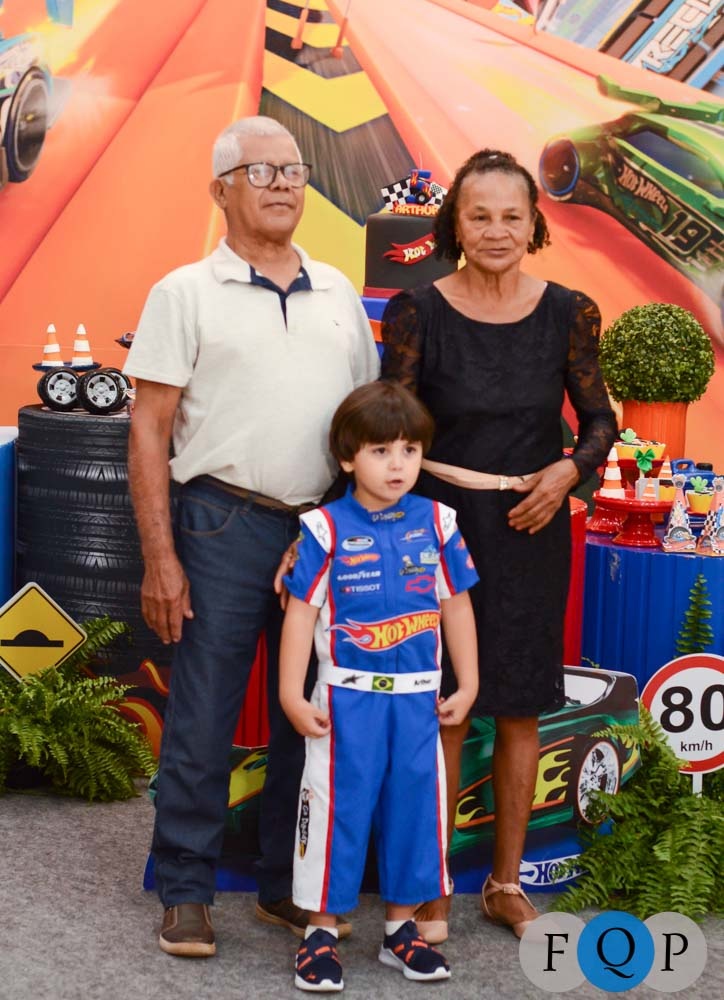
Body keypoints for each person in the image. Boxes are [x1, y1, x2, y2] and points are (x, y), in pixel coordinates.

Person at [124, 116, 379, 957]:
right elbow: (149, 429)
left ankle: (287, 887)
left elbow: (365, 421)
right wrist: (160, 558)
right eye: (260, 171)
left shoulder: (339, 292)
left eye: (293, 170)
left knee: (308, 714)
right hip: (219, 523)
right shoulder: (184, 292)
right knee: (203, 711)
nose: (282, 185)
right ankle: (186, 890)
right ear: (220, 190)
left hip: (321, 528)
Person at [380, 149, 617, 940]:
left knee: (519, 707)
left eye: (512, 216)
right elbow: (391, 426)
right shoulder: (417, 311)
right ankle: (432, 883)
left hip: (531, 529)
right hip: (436, 531)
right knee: (445, 707)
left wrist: (569, 474)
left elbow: (600, 420)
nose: (495, 230)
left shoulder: (570, 311)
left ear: (534, 224)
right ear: (455, 222)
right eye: (479, 215)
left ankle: (506, 884)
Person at [279, 381, 479, 991]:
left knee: (415, 811)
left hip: (418, 701)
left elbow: (457, 605)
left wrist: (468, 682)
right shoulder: (323, 529)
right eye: (381, 451)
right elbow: (301, 614)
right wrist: (291, 693)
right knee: (337, 809)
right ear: (348, 458)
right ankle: (319, 933)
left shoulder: (439, 523)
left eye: (409, 451)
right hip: (345, 701)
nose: (398, 465)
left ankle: (401, 929)